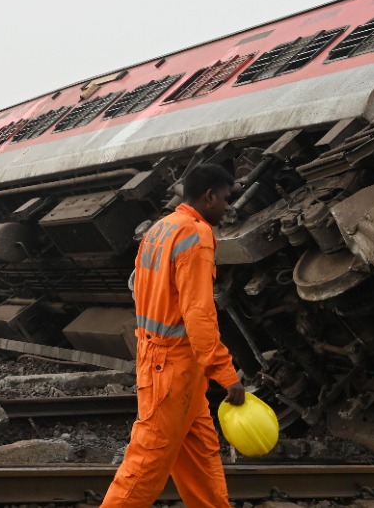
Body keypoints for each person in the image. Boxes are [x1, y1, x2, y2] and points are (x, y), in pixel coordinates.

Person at [102, 163, 246, 507]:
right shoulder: (196, 236)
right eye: (225, 200)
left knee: (198, 454)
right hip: (173, 366)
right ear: (209, 196)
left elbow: (137, 287)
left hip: (163, 360)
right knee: (147, 462)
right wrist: (227, 375)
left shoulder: (160, 229)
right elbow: (199, 314)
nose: (227, 208)